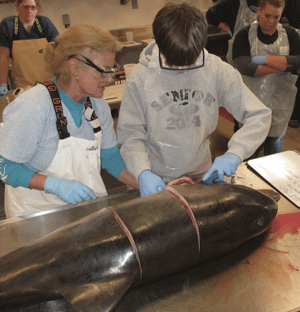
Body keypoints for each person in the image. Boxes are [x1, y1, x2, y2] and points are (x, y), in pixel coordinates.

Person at [117, 3, 272, 197]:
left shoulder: (216, 70)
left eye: (189, 63)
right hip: (154, 175)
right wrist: (142, 172)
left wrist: (235, 152)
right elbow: (131, 133)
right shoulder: (141, 76)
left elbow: (259, 115)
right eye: (174, 63)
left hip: (201, 172)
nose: (182, 70)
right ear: (161, 46)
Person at [0, 23, 139, 218]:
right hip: (36, 218)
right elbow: (6, 167)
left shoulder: (97, 105)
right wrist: (54, 185)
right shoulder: (34, 106)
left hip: (82, 212)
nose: (109, 79)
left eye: (112, 68)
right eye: (102, 70)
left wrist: (143, 182)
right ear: (74, 67)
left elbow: (110, 158)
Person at [232, 0, 300, 158]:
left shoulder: (290, 34)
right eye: (267, 15)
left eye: (276, 17)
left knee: (274, 144)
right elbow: (246, 67)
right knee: (250, 148)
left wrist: (263, 59)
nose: (271, 21)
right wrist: (283, 64)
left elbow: (297, 61)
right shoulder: (244, 35)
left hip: (280, 104)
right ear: (259, 10)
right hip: (251, 104)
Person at [0, 0, 59, 95]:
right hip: (23, 87)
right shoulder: (7, 24)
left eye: (33, 7)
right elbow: (3, 56)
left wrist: (60, 77)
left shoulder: (44, 23)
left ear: (37, 8)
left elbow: (58, 51)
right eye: (25, 7)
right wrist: (2, 83)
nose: (29, 11)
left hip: (48, 84)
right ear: (17, 5)